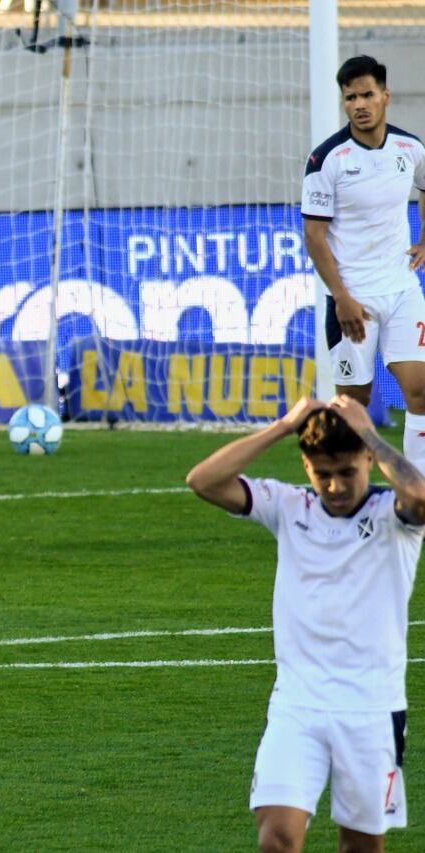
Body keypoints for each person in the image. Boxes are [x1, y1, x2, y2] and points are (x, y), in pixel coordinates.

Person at [186, 395, 424, 852]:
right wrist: (283, 425)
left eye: (346, 472)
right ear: (306, 467)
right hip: (297, 706)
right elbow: (203, 480)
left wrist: (368, 430)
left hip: (371, 709)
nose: (334, 487)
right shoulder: (289, 507)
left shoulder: (394, 519)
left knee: (359, 846)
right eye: (322, 474)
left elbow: (419, 496)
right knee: (276, 838)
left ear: (368, 460)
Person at [303, 55, 425, 468]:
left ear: (385, 97)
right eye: (350, 97)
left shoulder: (410, 148)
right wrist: (341, 297)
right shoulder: (326, 160)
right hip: (352, 297)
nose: (359, 103)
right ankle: (349, 496)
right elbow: (314, 237)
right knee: (354, 403)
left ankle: (419, 494)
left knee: (421, 390)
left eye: (367, 94)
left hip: (402, 288)